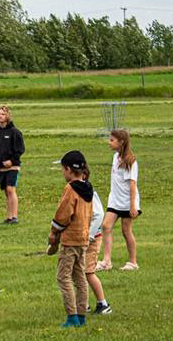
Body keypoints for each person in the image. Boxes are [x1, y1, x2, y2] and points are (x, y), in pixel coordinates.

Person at [47, 151, 92, 328]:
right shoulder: (88, 187)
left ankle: (72, 316)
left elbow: (63, 214)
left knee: (63, 277)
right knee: (80, 277)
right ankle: (81, 315)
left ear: (68, 169)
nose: (62, 172)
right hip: (83, 239)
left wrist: (53, 232)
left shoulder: (70, 189)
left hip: (70, 240)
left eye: (62, 169)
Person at [96, 130, 141, 271]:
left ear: (121, 142)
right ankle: (106, 261)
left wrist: (133, 206)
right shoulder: (115, 157)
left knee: (126, 231)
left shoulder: (131, 161)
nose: (109, 143)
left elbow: (132, 185)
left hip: (127, 202)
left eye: (112, 140)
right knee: (106, 226)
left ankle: (133, 262)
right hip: (114, 201)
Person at [0, 105, 25, 224]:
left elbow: (20, 149)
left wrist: (11, 161)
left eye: (3, 114)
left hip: (12, 167)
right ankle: (8, 217)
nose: (0, 116)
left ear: (7, 116)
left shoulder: (15, 132)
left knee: (10, 189)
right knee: (6, 192)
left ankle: (14, 216)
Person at [84, 169, 112, 315]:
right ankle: (84, 304)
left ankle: (103, 304)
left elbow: (99, 214)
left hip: (92, 239)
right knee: (78, 273)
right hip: (83, 238)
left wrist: (89, 236)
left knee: (88, 272)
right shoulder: (76, 191)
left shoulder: (89, 192)